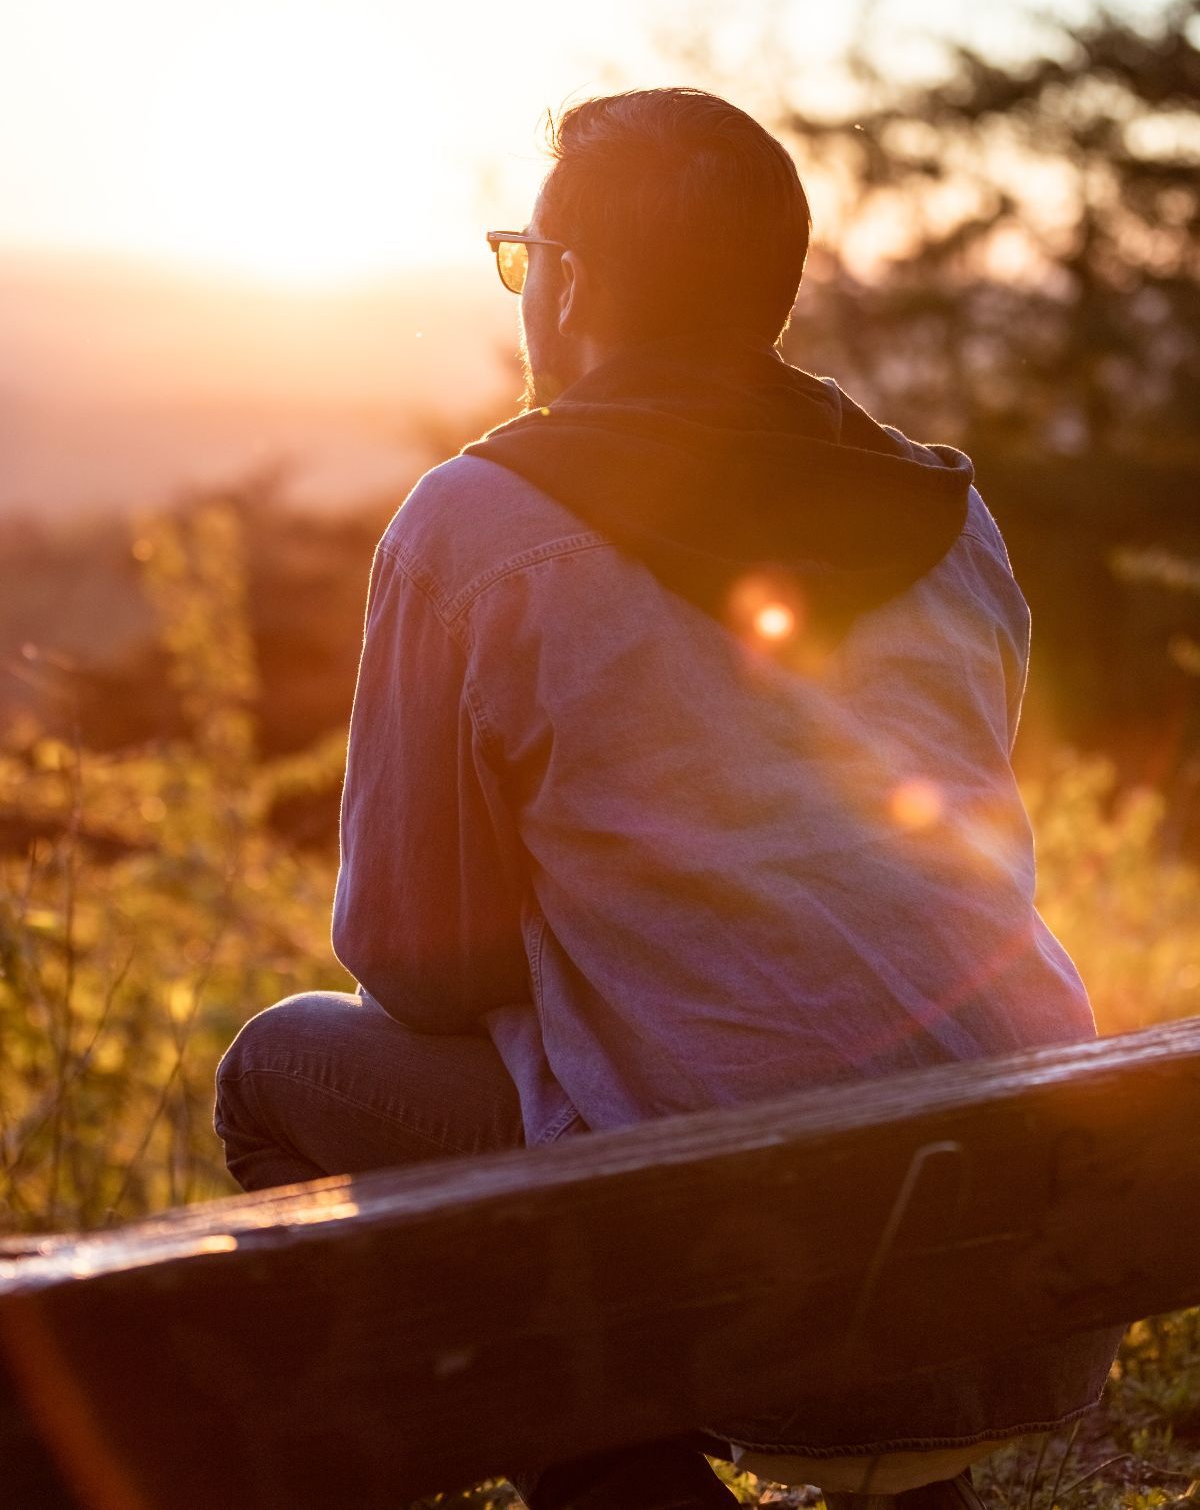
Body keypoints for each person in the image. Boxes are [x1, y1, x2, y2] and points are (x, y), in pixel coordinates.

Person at [215, 88, 1117, 1510]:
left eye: (527, 257)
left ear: (570, 282)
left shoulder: (476, 521)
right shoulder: (952, 513)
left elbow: (413, 959)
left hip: (738, 1258)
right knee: (797, 1077)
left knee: (280, 1071)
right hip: (1027, 1255)